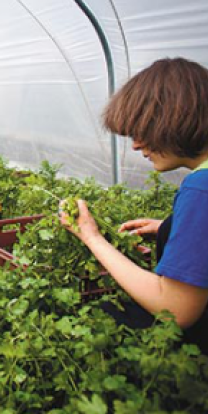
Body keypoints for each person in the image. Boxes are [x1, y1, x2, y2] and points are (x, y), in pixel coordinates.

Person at [59, 57, 208, 354]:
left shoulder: (200, 189)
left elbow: (176, 311)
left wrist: (91, 236)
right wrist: (169, 227)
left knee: (94, 315)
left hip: (196, 351)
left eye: (144, 131)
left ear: (176, 120)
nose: (137, 145)